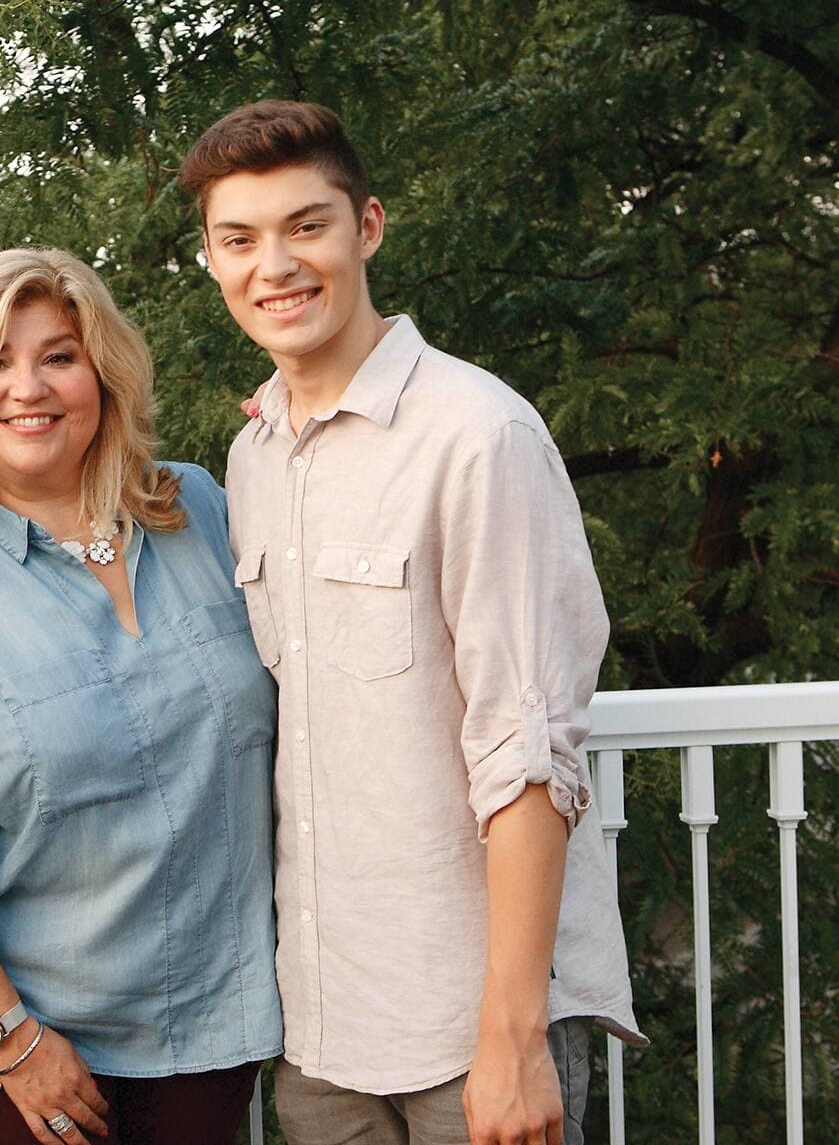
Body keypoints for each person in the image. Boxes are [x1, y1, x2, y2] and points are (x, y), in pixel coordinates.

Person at [179, 100, 643, 1145]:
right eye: (239, 239)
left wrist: (514, 1041)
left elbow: (529, 754)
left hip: (468, 1024)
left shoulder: (478, 435)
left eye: (307, 226)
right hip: (322, 1027)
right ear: (209, 261)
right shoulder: (254, 459)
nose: (276, 266)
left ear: (368, 227)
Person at [0, 248, 283, 1145]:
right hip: (24, 1064)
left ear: (102, 374)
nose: (26, 388)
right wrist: (13, 1039)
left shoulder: (199, 508)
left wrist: (300, 428)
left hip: (214, 1033)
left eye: (57, 356)